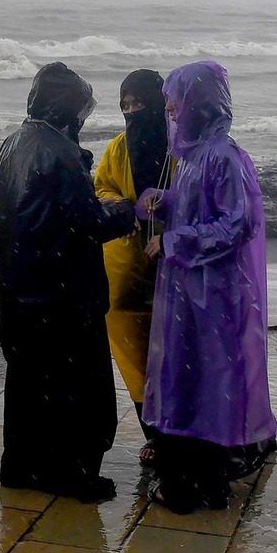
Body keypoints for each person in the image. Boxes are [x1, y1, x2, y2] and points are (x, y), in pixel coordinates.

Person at [0, 61, 139, 502]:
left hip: (18, 290)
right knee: (76, 389)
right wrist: (128, 209)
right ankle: (74, 473)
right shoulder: (61, 154)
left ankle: (20, 465)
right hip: (63, 294)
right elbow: (88, 222)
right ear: (67, 109)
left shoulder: (12, 143)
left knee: (27, 384)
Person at [137, 59, 277, 514]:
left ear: (198, 103)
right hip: (188, 291)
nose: (172, 113)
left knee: (208, 382)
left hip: (214, 293)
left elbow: (238, 224)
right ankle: (202, 482)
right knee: (189, 379)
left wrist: (174, 240)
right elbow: (200, 207)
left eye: (177, 103)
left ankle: (193, 485)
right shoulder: (193, 158)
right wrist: (162, 203)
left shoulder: (225, 156)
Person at [93, 68, 171, 467]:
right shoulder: (118, 147)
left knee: (173, 349)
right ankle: (152, 434)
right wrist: (127, 207)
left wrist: (168, 212)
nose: (131, 112)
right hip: (127, 268)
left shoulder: (181, 150)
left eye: (139, 104)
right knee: (133, 351)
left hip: (175, 265)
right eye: (125, 105)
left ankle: (181, 431)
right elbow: (101, 186)